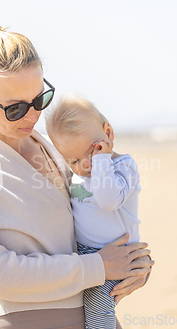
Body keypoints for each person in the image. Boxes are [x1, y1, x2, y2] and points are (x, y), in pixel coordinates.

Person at [0, 14, 154, 329]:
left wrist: (135, 264)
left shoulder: (54, 148)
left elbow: (96, 219)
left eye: (39, 99)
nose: (32, 115)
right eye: (15, 108)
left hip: (97, 318)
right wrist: (98, 267)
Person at [46, 96, 143, 329]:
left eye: (91, 152)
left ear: (107, 133)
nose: (85, 165)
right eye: (74, 160)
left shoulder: (123, 167)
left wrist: (102, 160)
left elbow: (108, 199)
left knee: (98, 306)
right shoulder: (78, 174)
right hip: (86, 254)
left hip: (116, 253)